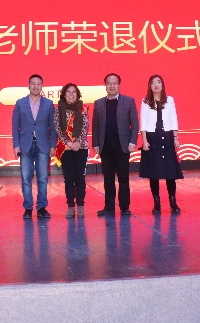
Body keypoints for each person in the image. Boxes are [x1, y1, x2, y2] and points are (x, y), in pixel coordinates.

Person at [92, 73, 139, 216]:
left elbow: (134, 124)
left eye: (114, 83)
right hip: (105, 147)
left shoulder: (128, 101)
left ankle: (124, 207)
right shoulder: (99, 103)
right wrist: (95, 144)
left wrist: (132, 141)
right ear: (105, 85)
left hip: (123, 146)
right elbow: (95, 125)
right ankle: (109, 207)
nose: (112, 86)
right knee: (108, 178)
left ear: (119, 85)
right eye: (109, 83)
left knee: (123, 177)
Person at [12, 74, 57, 219]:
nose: (35, 86)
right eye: (33, 83)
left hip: (43, 145)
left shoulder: (49, 104)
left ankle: (42, 208)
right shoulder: (20, 103)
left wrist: (53, 145)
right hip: (25, 145)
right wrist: (16, 145)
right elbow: (15, 126)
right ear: (28, 85)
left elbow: (53, 127)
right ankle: (28, 208)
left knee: (42, 178)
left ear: (42, 86)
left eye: (38, 84)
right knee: (26, 178)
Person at [139, 74, 184, 214]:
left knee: (170, 172)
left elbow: (174, 118)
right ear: (150, 86)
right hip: (152, 137)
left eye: (158, 82)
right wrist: (144, 140)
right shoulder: (145, 101)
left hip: (167, 136)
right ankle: (156, 203)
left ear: (162, 84)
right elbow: (143, 121)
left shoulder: (170, 100)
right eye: (153, 83)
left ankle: (173, 202)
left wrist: (175, 137)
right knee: (154, 172)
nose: (156, 85)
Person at [54, 83, 89, 218]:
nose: (71, 94)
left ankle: (80, 206)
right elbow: (58, 128)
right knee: (69, 178)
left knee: (80, 177)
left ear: (77, 94)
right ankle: (70, 206)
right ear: (64, 94)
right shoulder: (58, 109)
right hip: (66, 148)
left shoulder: (83, 108)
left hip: (81, 147)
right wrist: (68, 142)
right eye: (68, 92)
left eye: (74, 92)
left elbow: (85, 127)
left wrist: (78, 142)